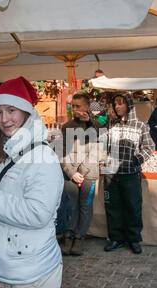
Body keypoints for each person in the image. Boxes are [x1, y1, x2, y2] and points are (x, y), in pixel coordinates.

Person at [0, 77, 64, 288]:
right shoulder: (4, 153)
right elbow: (5, 199)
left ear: (26, 112)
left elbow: (36, 213)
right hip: (9, 266)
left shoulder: (42, 156)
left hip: (33, 271)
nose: (4, 119)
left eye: (11, 110)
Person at [101, 92, 154, 254]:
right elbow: (102, 141)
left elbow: (149, 147)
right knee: (113, 208)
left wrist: (137, 159)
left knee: (133, 207)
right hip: (111, 174)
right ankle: (116, 238)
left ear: (129, 105)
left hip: (131, 174)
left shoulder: (140, 126)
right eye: (115, 104)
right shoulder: (111, 124)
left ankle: (134, 239)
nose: (117, 107)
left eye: (120, 103)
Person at [59, 93, 102, 256]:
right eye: (72, 106)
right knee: (71, 205)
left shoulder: (96, 126)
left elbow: (98, 150)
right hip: (70, 172)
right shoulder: (67, 126)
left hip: (88, 173)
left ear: (86, 107)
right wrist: (71, 173)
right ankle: (68, 235)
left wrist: (81, 172)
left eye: (78, 106)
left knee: (85, 206)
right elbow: (61, 152)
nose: (74, 109)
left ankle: (79, 237)